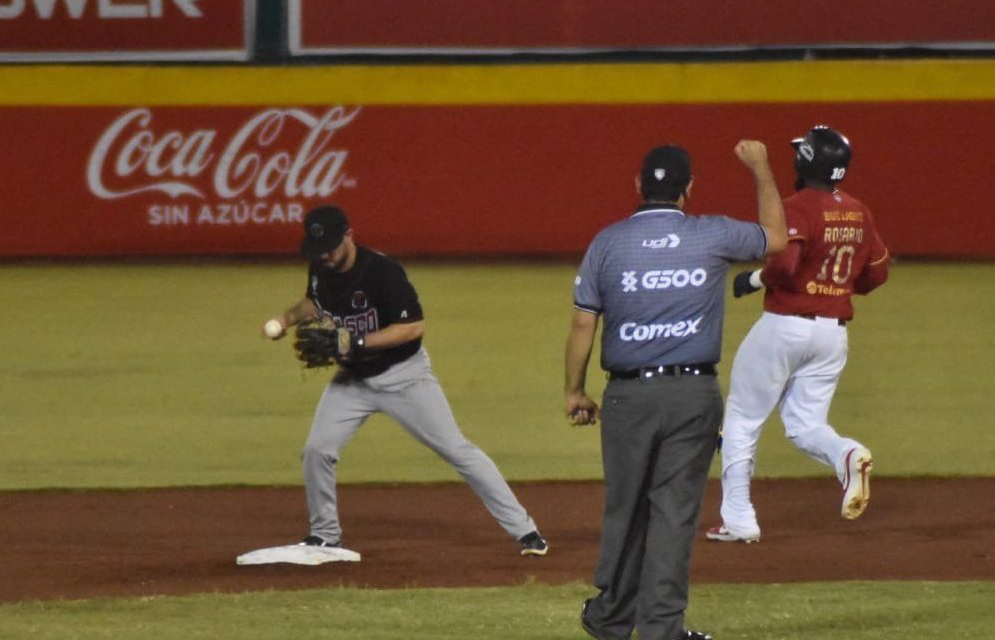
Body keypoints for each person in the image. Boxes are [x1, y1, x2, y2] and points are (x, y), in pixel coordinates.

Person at [565, 142, 786, 640]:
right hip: (692, 396)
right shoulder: (710, 234)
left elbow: (583, 323)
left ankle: (611, 616)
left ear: (638, 186)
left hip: (627, 398)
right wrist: (761, 168)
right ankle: (661, 628)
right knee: (672, 513)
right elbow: (777, 237)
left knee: (627, 505)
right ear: (689, 190)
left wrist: (574, 391)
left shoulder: (609, 242)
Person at [264, 205, 548, 557]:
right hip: (353, 380)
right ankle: (324, 534)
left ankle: (526, 531)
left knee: (457, 450)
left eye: (331, 247)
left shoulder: (382, 272)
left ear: (349, 236)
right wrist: (286, 318)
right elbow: (314, 301)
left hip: (405, 378)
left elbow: (413, 326)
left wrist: (356, 342)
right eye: (318, 249)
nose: (324, 255)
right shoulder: (322, 268)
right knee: (317, 450)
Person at [707, 125, 890, 545]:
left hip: (786, 326)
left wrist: (754, 279)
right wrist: (839, 288)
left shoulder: (796, 206)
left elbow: (785, 266)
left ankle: (738, 516)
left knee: (742, 416)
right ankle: (846, 453)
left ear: (805, 161)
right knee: (805, 425)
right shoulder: (859, 211)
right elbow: (877, 272)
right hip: (832, 336)